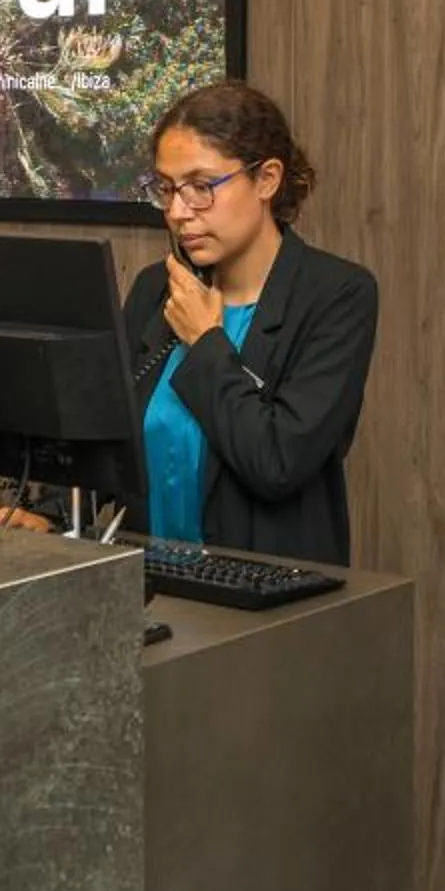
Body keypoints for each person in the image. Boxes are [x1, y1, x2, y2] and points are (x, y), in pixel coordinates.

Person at [121, 80, 378, 566]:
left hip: (260, 607)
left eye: (201, 188)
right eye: (167, 189)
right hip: (146, 587)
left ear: (266, 179)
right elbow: (110, 438)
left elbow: (278, 461)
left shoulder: (336, 294)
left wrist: (205, 341)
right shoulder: (157, 289)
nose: (178, 212)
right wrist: (47, 511)